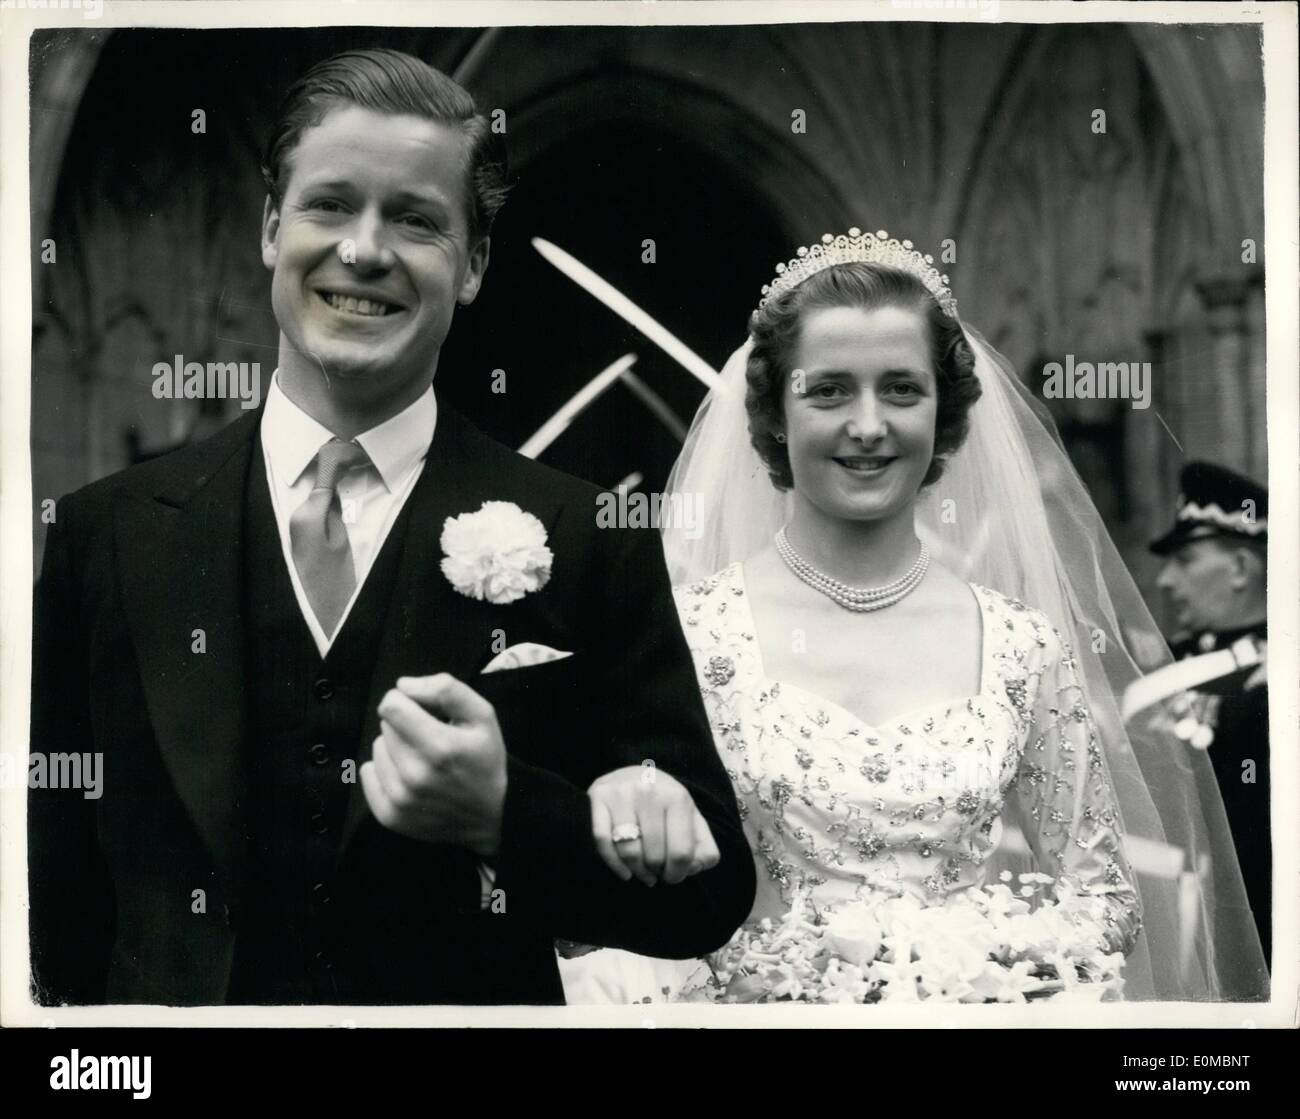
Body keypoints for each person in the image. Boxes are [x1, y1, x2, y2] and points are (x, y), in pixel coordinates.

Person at [27, 47, 754, 1007]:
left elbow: (708, 895)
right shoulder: (104, 536)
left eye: (416, 220)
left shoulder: (586, 534)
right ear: (270, 228)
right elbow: (53, 898)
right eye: (331, 204)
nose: (365, 250)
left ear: (475, 263)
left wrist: (510, 814)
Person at [569, 230, 1267, 1002]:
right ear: (772, 414)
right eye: (828, 390)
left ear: (944, 412)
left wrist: (960, 974)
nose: (868, 425)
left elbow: (1102, 899)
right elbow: (607, 896)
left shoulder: (1017, 643)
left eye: (901, 389)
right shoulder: (692, 634)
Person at [1139, 462, 1269, 963]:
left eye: (1186, 559)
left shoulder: (1274, 684)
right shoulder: (1171, 662)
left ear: (1239, 569)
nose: (1167, 581)